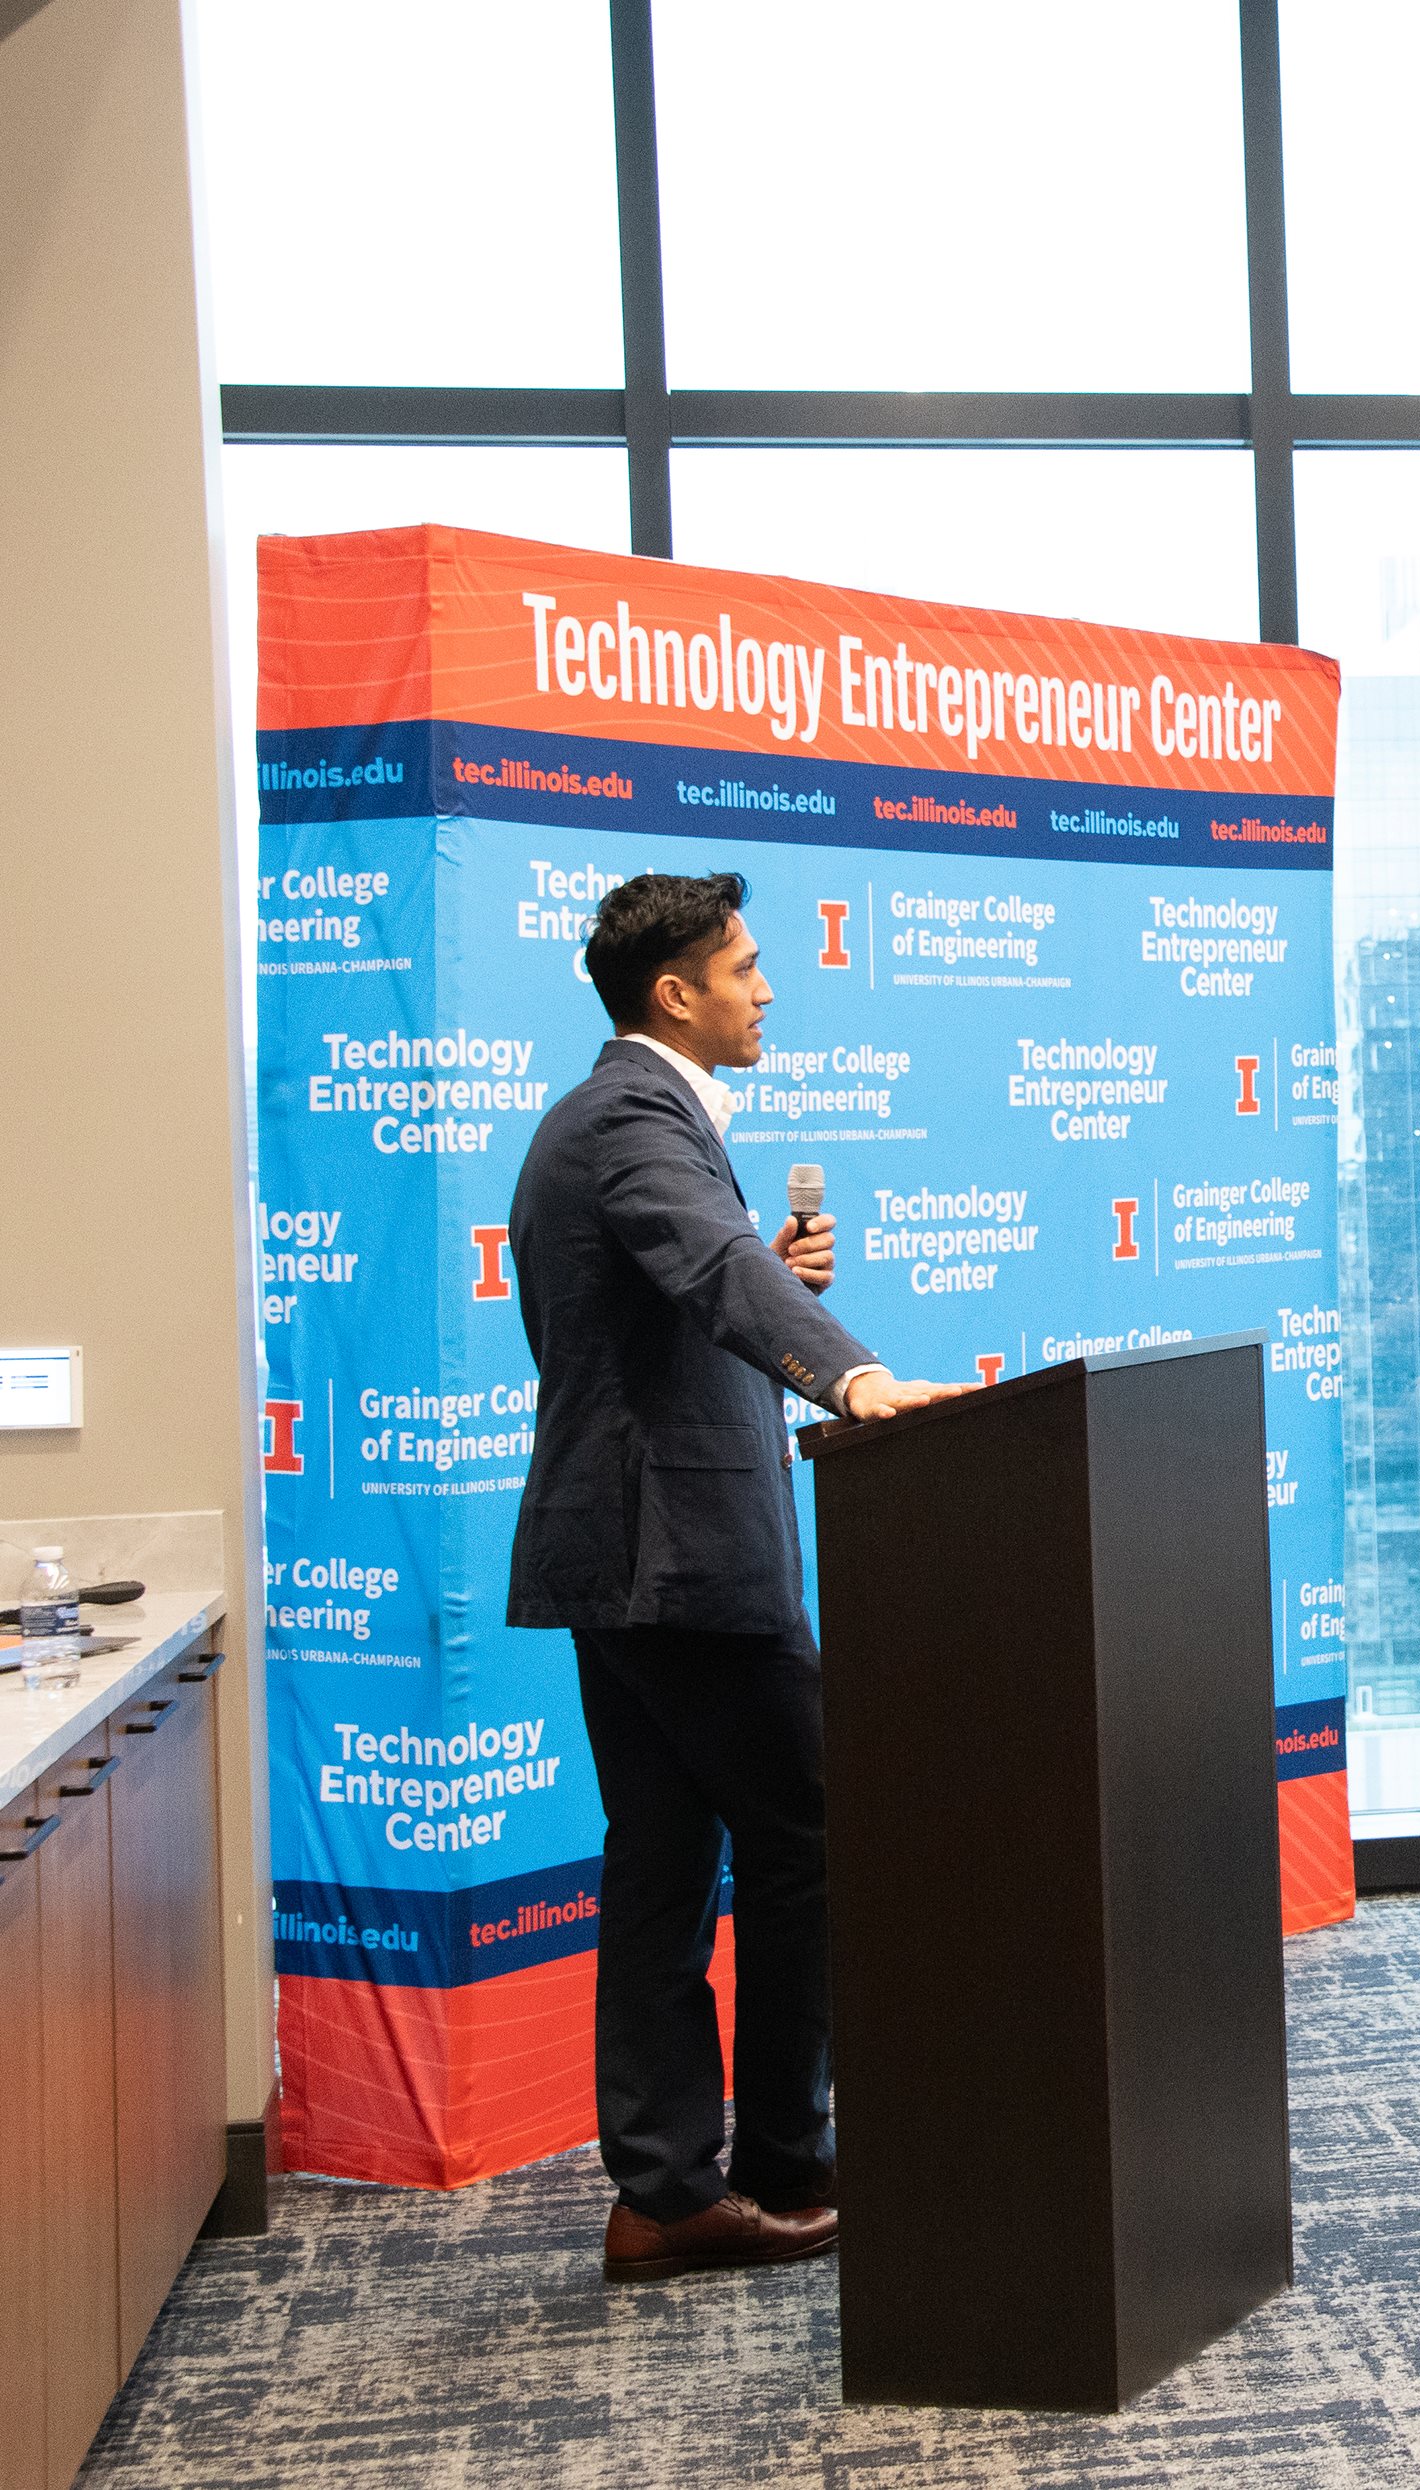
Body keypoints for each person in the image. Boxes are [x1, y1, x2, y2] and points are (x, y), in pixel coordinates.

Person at [508, 872, 963, 2281]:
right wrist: (854, 1371)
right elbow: (706, 1266)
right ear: (674, 993)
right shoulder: (636, 1117)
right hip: (681, 1562)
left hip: (625, 1559)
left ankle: (667, 2191)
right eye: (748, 968)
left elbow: (688, 1286)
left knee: (659, 1866)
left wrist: (773, 1272)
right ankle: (780, 2159)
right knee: (808, 1834)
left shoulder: (616, 1119)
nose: (769, 989)